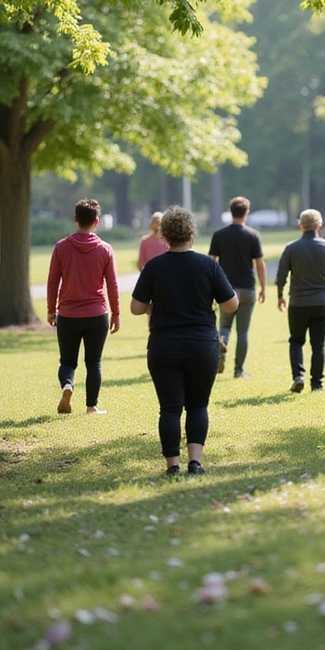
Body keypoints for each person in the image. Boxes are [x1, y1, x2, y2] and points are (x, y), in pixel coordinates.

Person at [130, 205, 238, 477]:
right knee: (198, 405)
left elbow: (135, 307)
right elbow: (231, 305)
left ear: (163, 235)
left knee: (169, 408)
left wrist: (156, 306)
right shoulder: (207, 265)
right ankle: (195, 462)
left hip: (164, 345)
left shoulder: (154, 266)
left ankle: (172, 466)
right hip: (202, 345)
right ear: (191, 233)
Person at [47, 198, 120, 415]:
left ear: (75, 219)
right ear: (96, 222)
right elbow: (113, 284)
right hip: (97, 314)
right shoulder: (105, 249)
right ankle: (91, 407)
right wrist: (116, 313)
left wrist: (52, 309)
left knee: (67, 360)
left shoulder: (61, 247)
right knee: (94, 363)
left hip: (68, 314)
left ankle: (68, 385)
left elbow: (53, 281)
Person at [275, 208, 325, 393]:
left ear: (301, 226)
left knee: (296, 341)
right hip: (322, 302)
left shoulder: (291, 248)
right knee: (318, 344)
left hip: (298, 303)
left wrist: (280, 296)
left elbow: (281, 275)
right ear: (319, 225)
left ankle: (298, 376)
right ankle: (317, 383)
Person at [208, 195, 266, 378]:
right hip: (247, 288)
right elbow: (259, 264)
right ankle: (239, 370)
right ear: (246, 213)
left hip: (226, 289)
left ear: (231, 212)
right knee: (243, 331)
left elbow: (211, 262)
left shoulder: (219, 235)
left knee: (224, 325)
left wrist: (211, 287)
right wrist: (263, 287)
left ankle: (222, 343)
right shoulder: (253, 235)